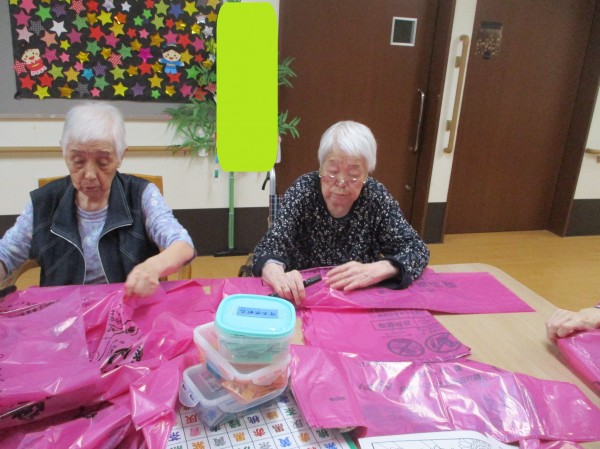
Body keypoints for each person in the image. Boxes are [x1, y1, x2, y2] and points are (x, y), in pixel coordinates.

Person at [0, 102, 195, 297]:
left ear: (120, 155)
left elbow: (183, 245)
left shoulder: (141, 194)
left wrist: (153, 267)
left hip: (128, 307)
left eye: (103, 162)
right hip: (63, 311)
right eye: (78, 161)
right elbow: (6, 253)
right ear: (64, 152)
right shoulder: (44, 202)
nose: (90, 174)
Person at [252, 120, 430, 304]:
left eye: (353, 175)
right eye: (332, 172)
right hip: (305, 297)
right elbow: (268, 248)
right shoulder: (303, 191)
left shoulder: (375, 196)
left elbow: (417, 249)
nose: (342, 183)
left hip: (358, 299)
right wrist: (278, 275)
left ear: (366, 174)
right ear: (321, 167)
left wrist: (379, 268)